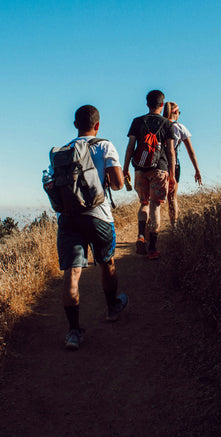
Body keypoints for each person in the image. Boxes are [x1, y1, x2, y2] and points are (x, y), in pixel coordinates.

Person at [56, 105, 128, 350]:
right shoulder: (105, 145)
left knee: (72, 273)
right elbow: (118, 185)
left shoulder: (63, 151)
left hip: (68, 217)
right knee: (106, 262)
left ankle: (74, 332)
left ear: (75, 124)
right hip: (98, 216)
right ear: (97, 125)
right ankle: (112, 308)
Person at [123, 90, 176, 259]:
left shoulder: (137, 122)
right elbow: (170, 152)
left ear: (147, 104)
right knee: (155, 206)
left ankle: (140, 235)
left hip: (140, 169)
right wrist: (172, 174)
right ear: (162, 105)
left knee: (144, 203)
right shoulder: (167, 124)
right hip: (160, 169)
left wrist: (125, 169)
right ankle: (153, 248)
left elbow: (130, 146)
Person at [163, 102, 202, 229]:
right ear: (175, 112)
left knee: (154, 199)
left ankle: (151, 230)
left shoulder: (160, 124)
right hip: (174, 165)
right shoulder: (180, 127)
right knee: (172, 197)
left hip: (159, 164)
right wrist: (197, 170)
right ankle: (174, 227)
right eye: (179, 113)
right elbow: (191, 151)